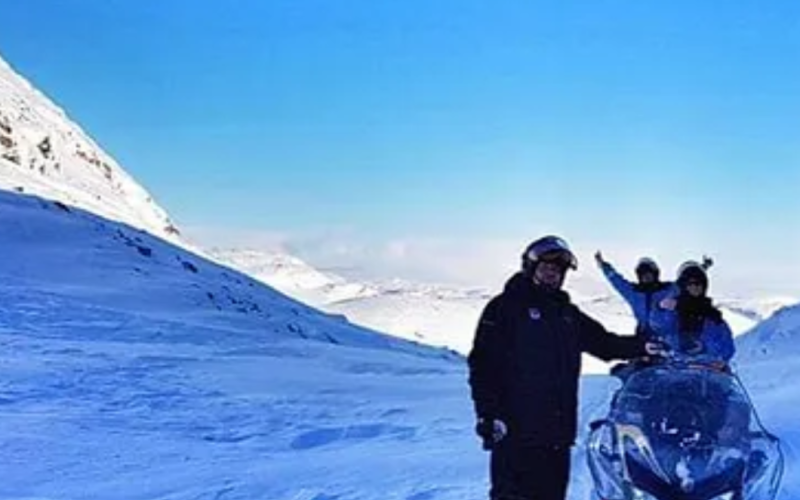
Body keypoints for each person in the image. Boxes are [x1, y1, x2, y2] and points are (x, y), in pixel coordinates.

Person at [467, 235, 663, 500]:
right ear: (530, 267)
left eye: (558, 269)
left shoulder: (566, 314)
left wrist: (643, 347)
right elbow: (483, 364)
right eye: (547, 267)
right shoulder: (505, 307)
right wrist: (487, 413)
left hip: (556, 433)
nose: (553, 274)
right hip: (515, 432)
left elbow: (604, 343)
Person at [594, 252, 714, 340]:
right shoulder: (633, 293)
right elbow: (617, 280)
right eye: (643, 273)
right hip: (642, 338)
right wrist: (604, 266)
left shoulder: (668, 289)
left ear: (655, 273)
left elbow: (686, 279)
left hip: (670, 339)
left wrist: (703, 267)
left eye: (649, 273)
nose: (646, 276)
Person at [650, 260, 735, 368]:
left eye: (698, 283)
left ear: (704, 286)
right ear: (683, 286)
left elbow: (726, 348)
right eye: (689, 283)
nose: (694, 286)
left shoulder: (713, 317)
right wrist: (660, 308)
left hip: (704, 374)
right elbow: (657, 325)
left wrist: (711, 357)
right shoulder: (671, 309)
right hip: (672, 371)